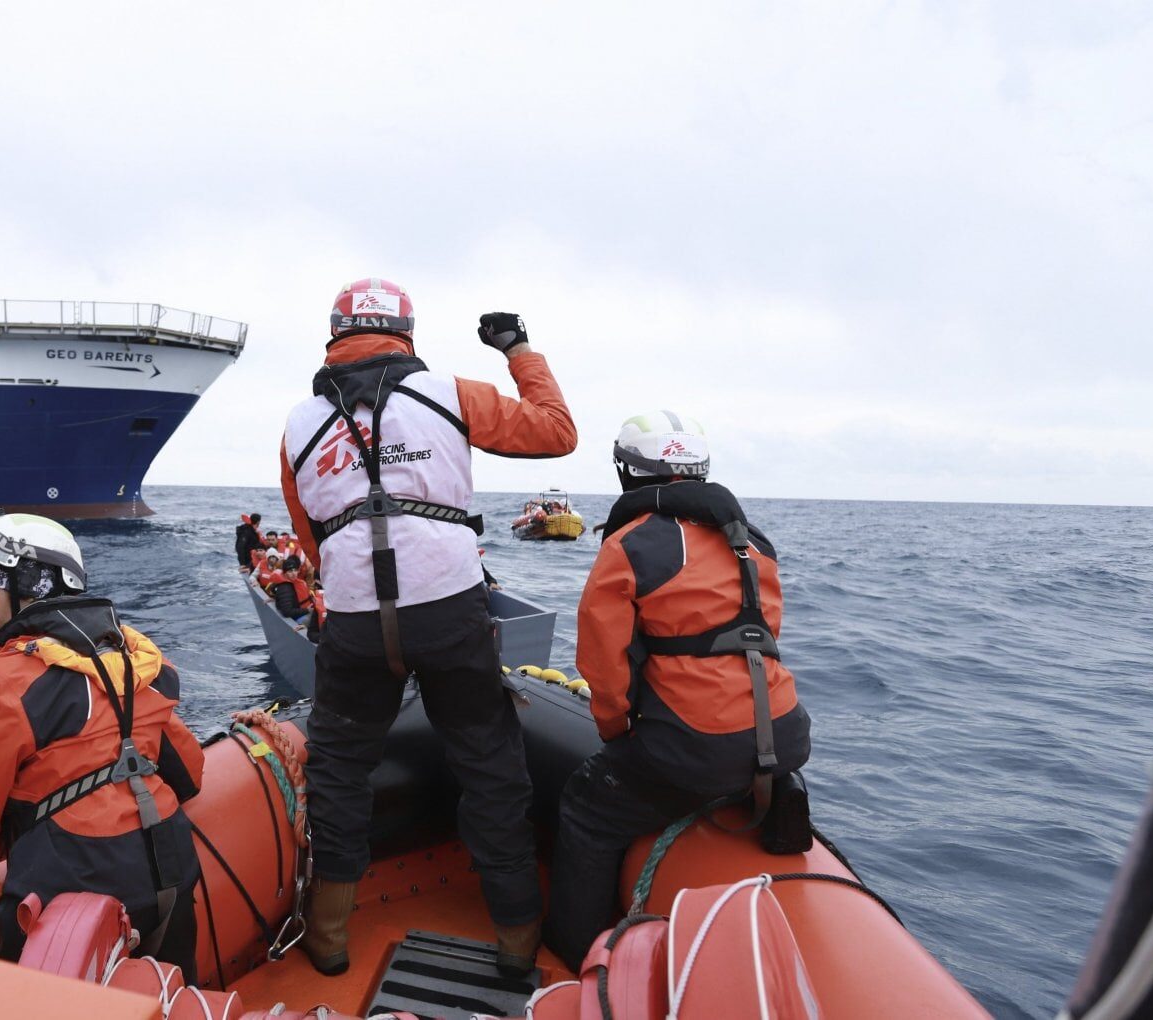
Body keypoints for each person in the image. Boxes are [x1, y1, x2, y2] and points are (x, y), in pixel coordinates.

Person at [280, 278, 577, 977]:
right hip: (449, 609)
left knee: (340, 772)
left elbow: (308, 532)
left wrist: (356, 584)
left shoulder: (297, 422)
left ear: (334, 333)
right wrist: (519, 350)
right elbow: (557, 433)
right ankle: (516, 943)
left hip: (352, 618)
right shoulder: (451, 393)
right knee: (490, 764)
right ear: (406, 332)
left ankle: (327, 937)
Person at [542, 412, 813, 970]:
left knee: (588, 809)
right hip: (786, 729)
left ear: (630, 472)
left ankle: (573, 953)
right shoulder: (754, 540)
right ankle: (772, 792)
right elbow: (764, 637)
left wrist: (617, 735)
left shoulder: (630, 543)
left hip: (694, 746)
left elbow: (601, 661)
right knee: (731, 751)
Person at [0, 509, 205, 976]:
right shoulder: (137, 664)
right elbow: (188, 770)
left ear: (32, 585)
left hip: (69, 884)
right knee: (171, 994)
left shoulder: (5, 683)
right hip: (170, 869)